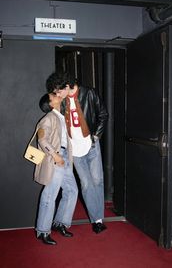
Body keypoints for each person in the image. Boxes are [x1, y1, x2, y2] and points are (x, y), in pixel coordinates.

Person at [46, 72, 109, 234]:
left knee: (97, 181)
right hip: (75, 150)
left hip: (92, 144)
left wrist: (96, 136)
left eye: (59, 91)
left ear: (67, 86)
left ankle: (98, 219)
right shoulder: (62, 101)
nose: (57, 94)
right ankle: (96, 220)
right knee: (86, 184)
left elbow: (103, 115)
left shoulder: (89, 93)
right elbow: (48, 107)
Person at [34, 93, 78, 245]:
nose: (57, 95)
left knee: (72, 191)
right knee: (50, 194)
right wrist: (55, 155)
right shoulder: (47, 118)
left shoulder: (61, 116)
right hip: (56, 159)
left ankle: (60, 223)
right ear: (51, 103)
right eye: (53, 95)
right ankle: (42, 231)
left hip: (65, 158)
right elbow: (41, 139)